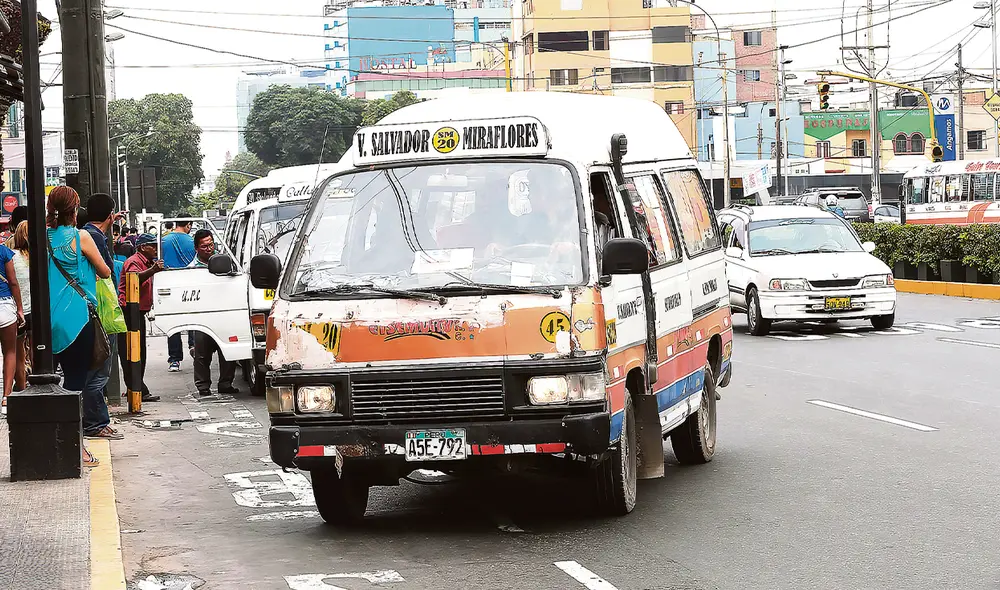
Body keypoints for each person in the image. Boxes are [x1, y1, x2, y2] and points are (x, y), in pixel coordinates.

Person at [45, 186, 120, 451]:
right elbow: (105, 270)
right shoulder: (81, 238)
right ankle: (74, 447)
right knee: (75, 384)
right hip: (78, 318)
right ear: (75, 210)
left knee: (47, 382)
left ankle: (52, 439)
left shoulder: (42, 237)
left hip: (46, 321)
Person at [83, 194, 127, 406]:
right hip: (101, 309)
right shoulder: (96, 238)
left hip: (85, 309)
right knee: (99, 371)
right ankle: (96, 421)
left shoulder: (82, 233)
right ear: (110, 216)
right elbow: (106, 271)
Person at [188, 229, 239, 396]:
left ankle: (226, 383)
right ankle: (203, 386)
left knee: (228, 352)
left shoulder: (226, 261)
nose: (209, 249)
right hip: (203, 317)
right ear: (196, 248)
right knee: (202, 355)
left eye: (211, 245)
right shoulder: (192, 269)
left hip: (225, 314)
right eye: (204, 246)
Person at [117, 234, 163, 402]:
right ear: (143, 247)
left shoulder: (145, 262)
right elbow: (133, 280)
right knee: (132, 351)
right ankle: (136, 388)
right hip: (129, 311)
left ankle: (137, 387)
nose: (156, 249)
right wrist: (152, 270)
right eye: (153, 246)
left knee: (139, 351)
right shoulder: (134, 262)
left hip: (138, 311)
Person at [161, 220, 196, 371]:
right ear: (188, 224)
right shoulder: (193, 241)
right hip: (191, 285)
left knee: (173, 323)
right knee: (194, 319)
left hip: (169, 286)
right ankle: (195, 348)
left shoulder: (163, 240)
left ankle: (174, 360)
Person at [0, 222, 24, 415]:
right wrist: (20, 309)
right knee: (10, 352)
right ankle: (6, 397)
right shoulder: (4, 253)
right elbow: (13, 282)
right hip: (5, 305)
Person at [10, 222, 30, 392]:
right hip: (37, 312)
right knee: (38, 352)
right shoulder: (41, 256)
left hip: (18, 311)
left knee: (18, 354)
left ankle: (22, 387)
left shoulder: (11, 257)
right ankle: (38, 381)